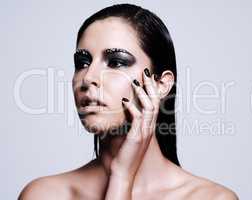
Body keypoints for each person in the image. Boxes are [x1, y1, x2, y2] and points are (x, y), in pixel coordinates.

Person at [18, 3, 238, 200]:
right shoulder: (44, 194)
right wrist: (121, 177)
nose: (88, 78)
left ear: (161, 84)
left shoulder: (211, 198)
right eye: (82, 62)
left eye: (116, 62)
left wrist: (123, 176)